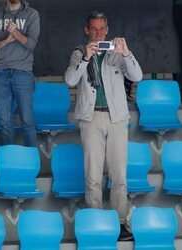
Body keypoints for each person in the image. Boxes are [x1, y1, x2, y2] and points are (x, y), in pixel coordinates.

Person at [65, 11, 143, 241]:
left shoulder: (117, 53)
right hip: (91, 119)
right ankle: (96, 222)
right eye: (94, 29)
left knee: (119, 175)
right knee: (93, 176)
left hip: (117, 118)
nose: (98, 33)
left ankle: (120, 223)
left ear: (107, 31)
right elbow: (70, 80)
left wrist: (126, 53)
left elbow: (137, 76)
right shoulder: (79, 52)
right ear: (86, 30)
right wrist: (86, 59)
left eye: (102, 29)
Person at [0, 0, 40, 146]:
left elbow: (31, 44)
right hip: (0, 73)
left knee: (27, 121)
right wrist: (6, 41)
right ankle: (9, 166)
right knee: (4, 123)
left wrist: (15, 32)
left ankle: (31, 164)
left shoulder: (32, 14)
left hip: (23, 73)